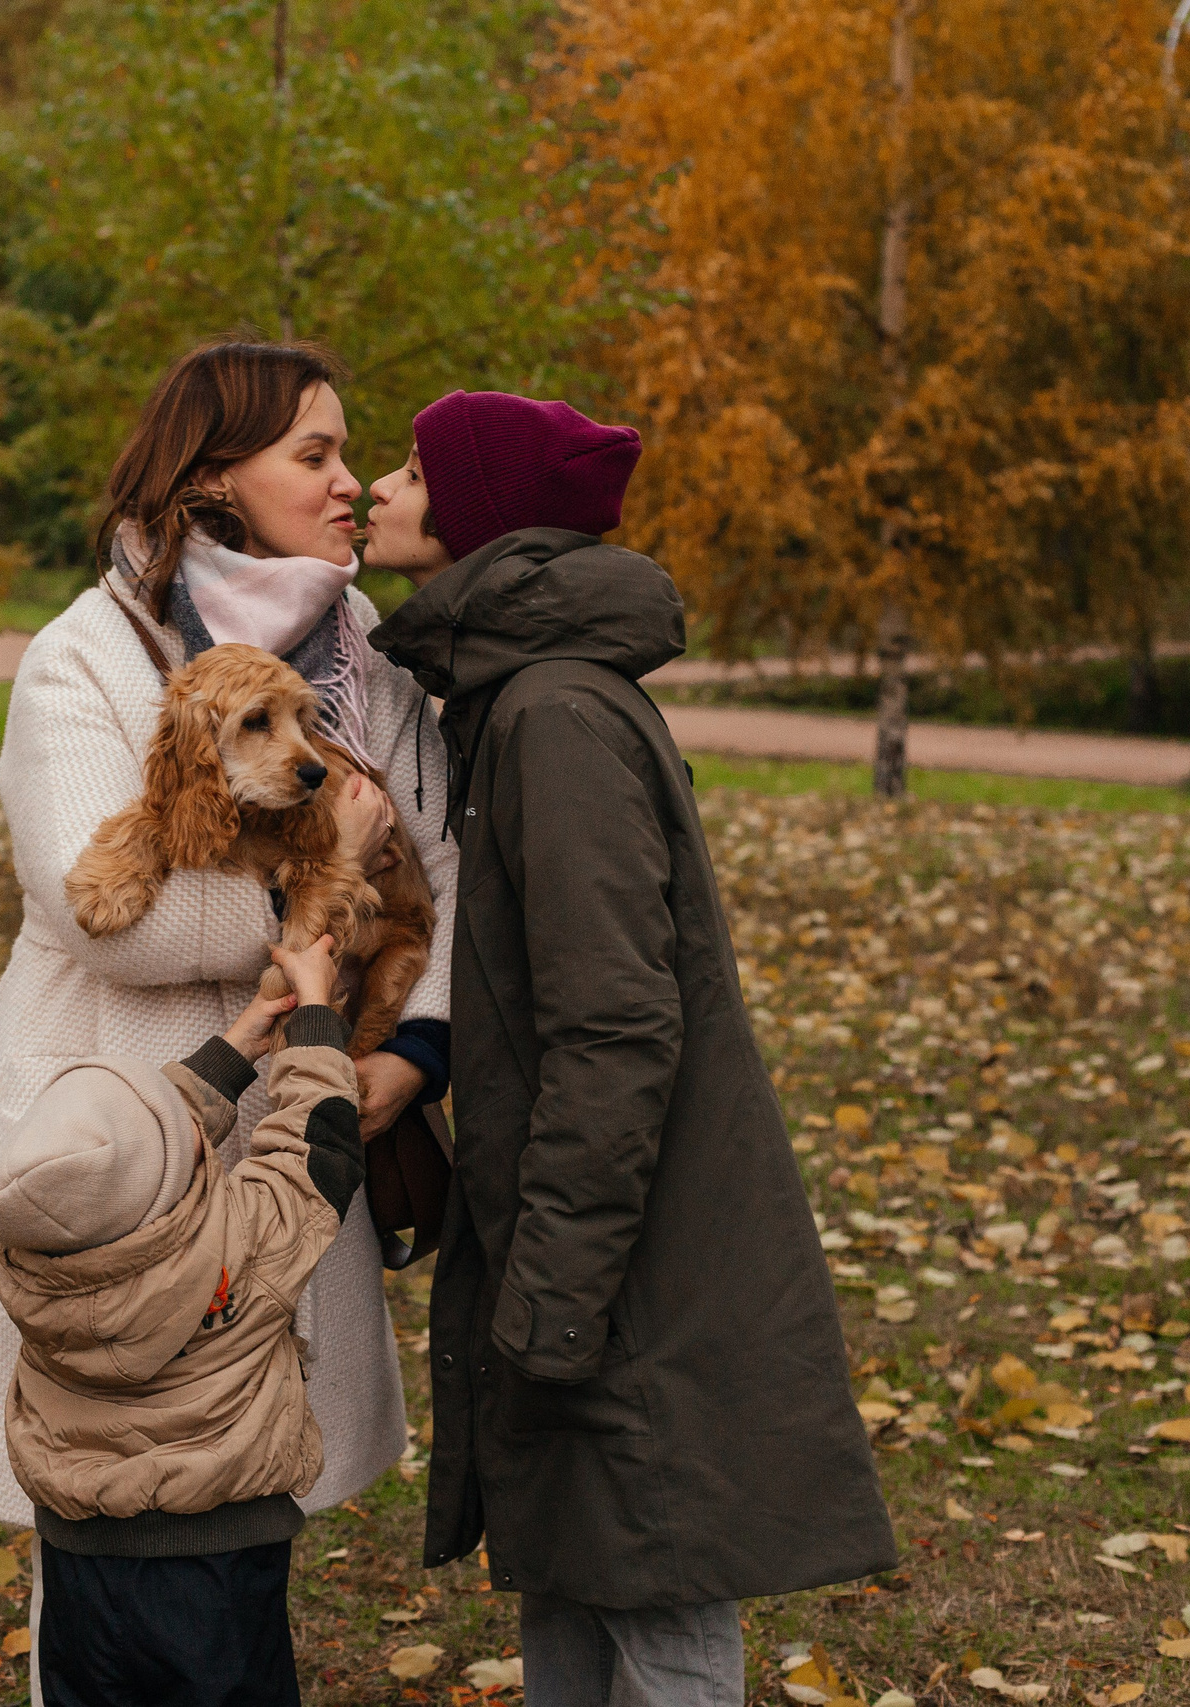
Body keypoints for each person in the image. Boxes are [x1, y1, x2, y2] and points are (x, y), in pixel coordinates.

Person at [0, 339, 461, 1694]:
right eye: (315, 454)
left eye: (350, 455)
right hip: (123, 1150)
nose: (350, 483)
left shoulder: (369, 675)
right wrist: (317, 930)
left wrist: (407, 1046)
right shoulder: (87, 659)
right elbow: (104, 914)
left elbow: (447, 879)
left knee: (242, 1518)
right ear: (213, 474)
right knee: (111, 1514)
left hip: (289, 1133)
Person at [363, 392, 896, 1707]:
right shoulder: (516, 696)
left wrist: (549, 1292)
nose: (377, 484)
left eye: (416, 470)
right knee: (577, 1564)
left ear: (479, 513)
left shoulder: (552, 717)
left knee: (652, 1602)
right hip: (592, 1247)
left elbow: (613, 1026)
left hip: (622, 1263)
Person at [0, 936, 359, 1707]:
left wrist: (244, 1034)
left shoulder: (35, 1259)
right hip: (217, 1566)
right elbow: (316, 1148)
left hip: (83, 1565)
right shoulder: (239, 1243)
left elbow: (125, 1154)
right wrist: (314, 1012)